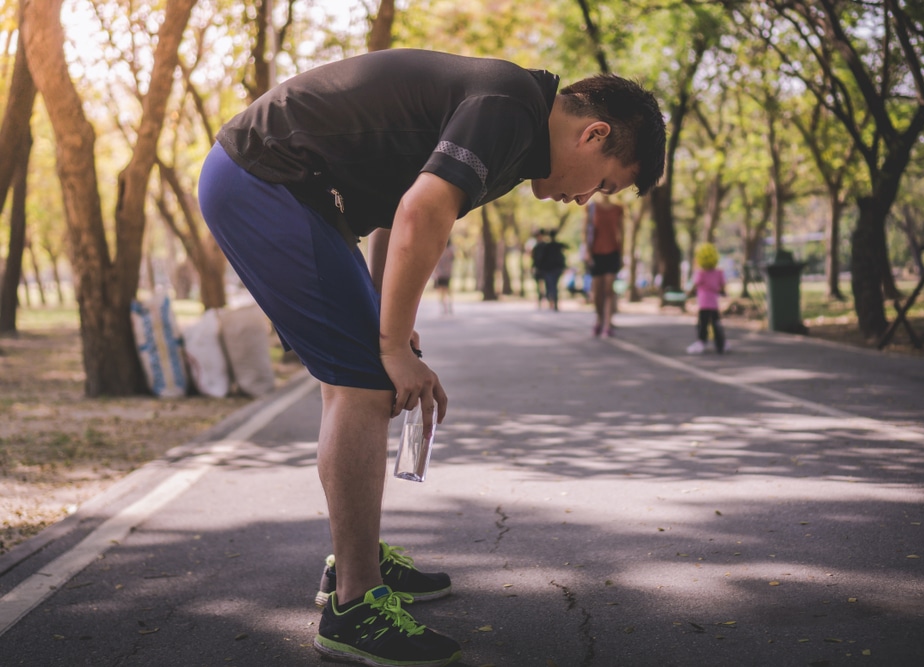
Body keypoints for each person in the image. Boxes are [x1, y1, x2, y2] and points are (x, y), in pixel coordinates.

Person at [198, 48, 665, 667]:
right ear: (594, 134)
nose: (585, 199)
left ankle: (355, 555)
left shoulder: (516, 128)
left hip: (297, 191)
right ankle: (354, 606)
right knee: (364, 381)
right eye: (603, 183)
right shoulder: (508, 109)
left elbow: (402, 206)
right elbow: (422, 212)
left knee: (363, 372)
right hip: (265, 178)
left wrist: (393, 324)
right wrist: (388, 346)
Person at [584, 195, 624, 337]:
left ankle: (607, 324)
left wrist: (622, 253)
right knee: (597, 292)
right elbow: (586, 230)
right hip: (596, 253)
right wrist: (587, 252)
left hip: (613, 252)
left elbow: (621, 232)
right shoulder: (591, 207)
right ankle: (599, 320)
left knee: (608, 290)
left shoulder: (618, 208)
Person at [686, 242, 727, 354]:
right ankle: (720, 344)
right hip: (714, 304)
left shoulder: (701, 273)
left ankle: (701, 342)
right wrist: (722, 292)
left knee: (703, 324)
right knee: (716, 323)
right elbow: (722, 286)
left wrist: (689, 292)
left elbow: (695, 284)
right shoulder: (718, 273)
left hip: (704, 304)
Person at [538, 229, 567, 311]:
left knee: (551, 286)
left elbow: (542, 259)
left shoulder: (547, 246)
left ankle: (553, 301)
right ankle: (553, 301)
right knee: (553, 286)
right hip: (554, 269)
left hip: (551, 269)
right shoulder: (556, 246)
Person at [433, 239, 455, 315]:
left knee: (441, 291)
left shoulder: (439, 251)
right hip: (447, 273)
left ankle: (443, 307)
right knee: (447, 290)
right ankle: (449, 305)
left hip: (440, 274)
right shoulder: (450, 252)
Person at [530, 229, 549, 309]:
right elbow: (533, 258)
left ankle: (548, 300)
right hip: (538, 268)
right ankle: (539, 300)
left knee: (547, 284)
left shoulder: (546, 246)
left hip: (545, 268)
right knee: (538, 285)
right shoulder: (535, 247)